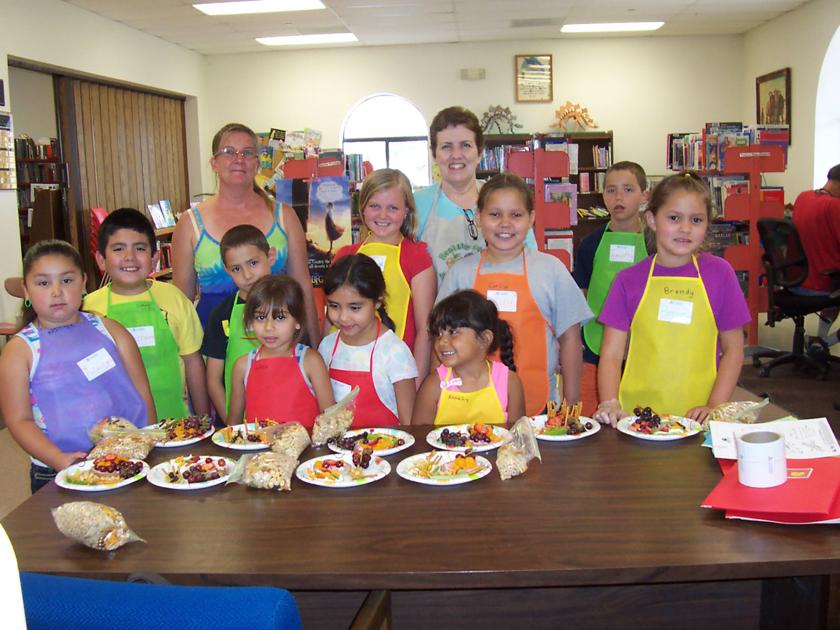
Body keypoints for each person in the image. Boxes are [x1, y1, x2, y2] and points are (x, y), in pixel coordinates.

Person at [595, 172, 751, 425]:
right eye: (674, 218)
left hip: (699, 417)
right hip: (635, 417)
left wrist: (714, 406)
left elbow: (734, 349)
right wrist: (610, 401)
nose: (685, 228)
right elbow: (611, 354)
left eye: (696, 219)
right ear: (652, 220)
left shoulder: (721, 274)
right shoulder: (628, 281)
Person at [0, 240, 155, 493]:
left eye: (67, 280)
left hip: (130, 460)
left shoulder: (111, 330)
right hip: (58, 469)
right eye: (43, 283)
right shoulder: (20, 351)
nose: (56, 291)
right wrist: (56, 458)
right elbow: (19, 420)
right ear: (26, 290)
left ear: (83, 282)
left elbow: (142, 393)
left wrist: (146, 443)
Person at [438, 173, 592, 416]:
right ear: (479, 217)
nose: (505, 223)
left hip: (540, 407)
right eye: (495, 214)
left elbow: (571, 339)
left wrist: (571, 406)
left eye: (516, 215)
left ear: (531, 218)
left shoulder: (550, 270)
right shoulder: (460, 273)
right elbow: (440, 338)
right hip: (468, 409)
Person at [171, 122, 320, 344]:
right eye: (229, 152)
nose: (239, 159)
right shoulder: (190, 223)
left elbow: (303, 287)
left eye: (247, 153)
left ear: (257, 164)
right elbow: (181, 301)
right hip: (217, 352)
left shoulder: (284, 216)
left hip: (280, 348)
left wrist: (315, 346)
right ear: (214, 163)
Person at [84, 208, 209, 420]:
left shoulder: (175, 299)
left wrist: (204, 417)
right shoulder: (88, 309)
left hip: (175, 423)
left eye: (139, 248)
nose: (129, 257)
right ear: (101, 260)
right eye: (118, 249)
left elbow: (193, 362)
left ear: (155, 258)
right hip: (114, 429)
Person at [414, 106, 537, 283]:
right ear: (434, 155)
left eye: (465, 145)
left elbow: (531, 262)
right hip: (439, 310)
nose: (456, 155)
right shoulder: (417, 205)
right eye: (446, 147)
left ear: (479, 153)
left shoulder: (504, 199)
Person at [332, 168, 435, 376]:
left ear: (406, 210)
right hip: (346, 366)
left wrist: (416, 382)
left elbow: (425, 330)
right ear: (363, 207)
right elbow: (330, 318)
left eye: (393, 208)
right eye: (374, 206)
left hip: (396, 374)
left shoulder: (416, 256)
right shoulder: (344, 254)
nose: (382, 215)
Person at [573, 162, 650, 417]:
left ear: (644, 195)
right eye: (611, 190)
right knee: (596, 415)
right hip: (595, 342)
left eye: (628, 189)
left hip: (644, 346)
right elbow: (581, 294)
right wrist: (577, 338)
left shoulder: (656, 244)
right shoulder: (590, 244)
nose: (619, 197)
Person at [318, 254, 418, 426]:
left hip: (386, 449)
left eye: (355, 307)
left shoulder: (394, 352)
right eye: (334, 306)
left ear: (378, 302)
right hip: (337, 450)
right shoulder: (327, 347)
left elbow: (410, 425)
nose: (343, 317)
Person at [227, 275, 334, 428]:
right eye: (260, 317)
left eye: (280, 317)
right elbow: (233, 426)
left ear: (297, 321)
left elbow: (330, 419)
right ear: (250, 321)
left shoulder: (311, 361)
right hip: (259, 451)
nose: (269, 327)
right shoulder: (242, 366)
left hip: (307, 450)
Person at [413, 290, 524, 425]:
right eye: (438, 334)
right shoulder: (433, 385)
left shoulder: (509, 383)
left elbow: (519, 438)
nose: (441, 342)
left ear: (484, 338)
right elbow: (418, 438)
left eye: (452, 332)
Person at [200, 225, 275, 422]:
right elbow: (213, 380)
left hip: (286, 416)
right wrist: (232, 426)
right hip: (239, 422)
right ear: (227, 270)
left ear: (271, 257)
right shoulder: (221, 315)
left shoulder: (290, 307)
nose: (247, 275)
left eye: (253, 263)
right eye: (236, 269)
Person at [791, 163, 840, 355]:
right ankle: (827, 341)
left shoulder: (803, 197)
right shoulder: (835, 206)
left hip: (794, 281)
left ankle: (819, 340)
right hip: (820, 284)